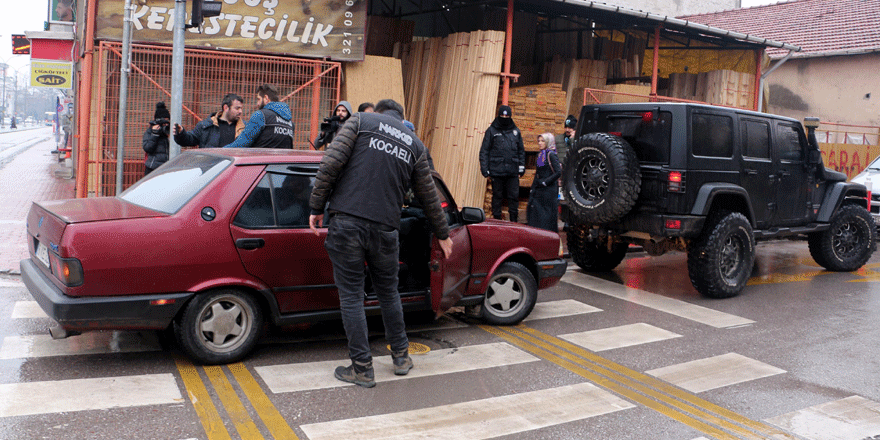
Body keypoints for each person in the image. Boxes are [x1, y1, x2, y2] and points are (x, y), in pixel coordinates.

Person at [308, 99, 453, 388]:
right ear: (402, 118)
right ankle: (401, 357)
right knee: (389, 294)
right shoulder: (414, 144)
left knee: (352, 296)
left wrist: (316, 207)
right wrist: (444, 233)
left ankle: (362, 368)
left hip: (347, 223)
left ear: (382, 113)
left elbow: (330, 164)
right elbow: (428, 195)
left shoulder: (361, 121)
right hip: (386, 229)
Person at [479, 105, 525, 222]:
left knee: (513, 197)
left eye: (507, 116)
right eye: (502, 115)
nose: (504, 118)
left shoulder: (516, 131)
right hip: (497, 171)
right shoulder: (491, 131)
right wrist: (485, 169)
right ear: (498, 115)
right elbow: (484, 151)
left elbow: (521, 151)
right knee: (497, 197)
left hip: (512, 171)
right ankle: (497, 220)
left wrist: (521, 168)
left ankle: (514, 221)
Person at [224, 84, 294, 149]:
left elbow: (241, 144)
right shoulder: (290, 123)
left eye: (258, 99)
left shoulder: (261, 116)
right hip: (281, 162)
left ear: (266, 98)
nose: (257, 104)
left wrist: (220, 151)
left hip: (261, 161)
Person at [173, 93, 245, 148]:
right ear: (226, 108)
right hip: (211, 166)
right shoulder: (206, 126)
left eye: (241, 108)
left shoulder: (245, 128)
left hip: (234, 167)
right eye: (237, 108)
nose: (240, 111)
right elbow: (190, 140)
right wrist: (181, 133)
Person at [527, 133, 562, 232]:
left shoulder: (551, 155)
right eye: (539, 141)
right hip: (539, 189)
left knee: (547, 215)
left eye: (543, 141)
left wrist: (545, 182)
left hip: (549, 191)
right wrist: (533, 188)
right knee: (536, 213)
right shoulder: (540, 155)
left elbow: (558, 172)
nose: (540, 143)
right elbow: (538, 173)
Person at [143, 102, 171, 176]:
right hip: (153, 169)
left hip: (167, 168)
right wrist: (155, 134)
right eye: (164, 122)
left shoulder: (169, 131)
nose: (166, 124)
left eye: (167, 121)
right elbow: (147, 148)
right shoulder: (150, 132)